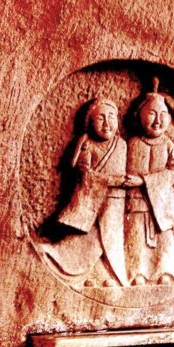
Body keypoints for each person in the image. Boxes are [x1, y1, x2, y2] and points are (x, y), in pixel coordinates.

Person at [41, 97, 130, 286]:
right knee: (89, 237)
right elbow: (85, 173)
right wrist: (111, 180)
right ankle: (82, 271)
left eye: (111, 117)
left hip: (116, 201)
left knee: (111, 240)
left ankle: (109, 275)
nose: (106, 123)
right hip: (92, 200)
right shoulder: (87, 144)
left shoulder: (122, 145)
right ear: (89, 122)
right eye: (100, 118)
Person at [124, 80, 174, 285]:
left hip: (161, 203)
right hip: (136, 203)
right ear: (139, 115)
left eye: (163, 115)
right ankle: (136, 272)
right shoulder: (132, 144)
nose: (157, 121)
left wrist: (144, 180)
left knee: (164, 240)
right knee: (136, 237)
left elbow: (172, 171)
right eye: (152, 114)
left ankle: (165, 271)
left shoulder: (169, 145)